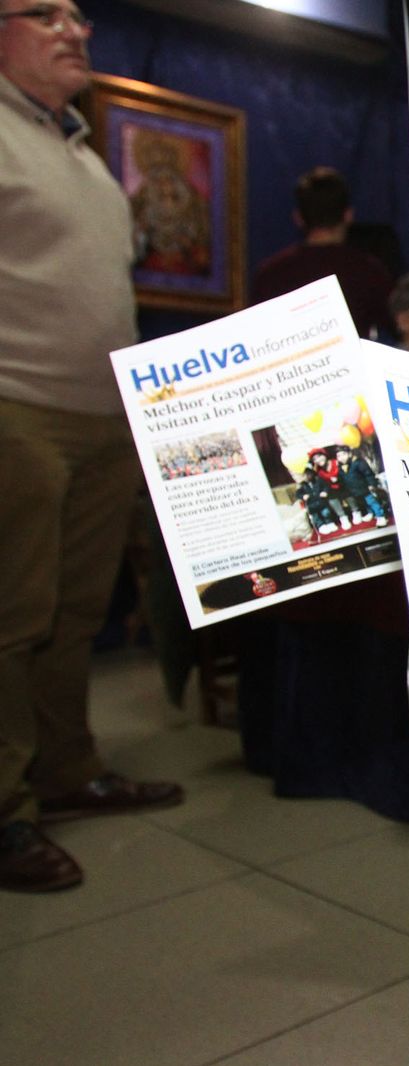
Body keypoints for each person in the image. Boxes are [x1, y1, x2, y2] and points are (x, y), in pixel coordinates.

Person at [0, 0, 184, 894]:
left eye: (80, 15)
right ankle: (2, 811)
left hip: (103, 420)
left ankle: (65, 769)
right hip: (17, 407)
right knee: (11, 615)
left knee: (74, 613)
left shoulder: (79, 151)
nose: (75, 28)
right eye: (43, 13)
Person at [252, 166, 392, 338]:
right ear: (348, 215)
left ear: (298, 218)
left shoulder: (269, 275)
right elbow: (396, 325)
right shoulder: (369, 272)